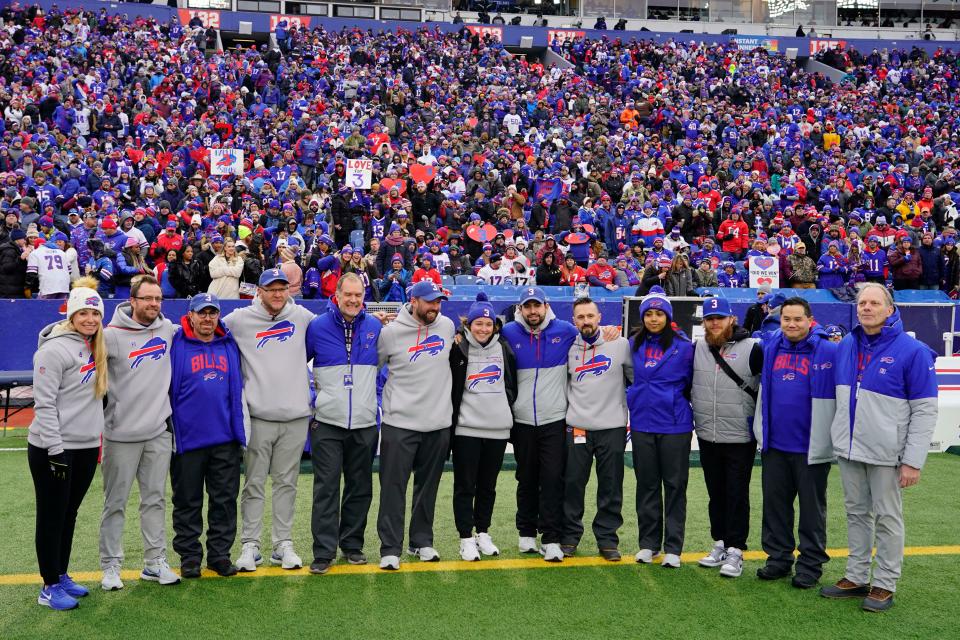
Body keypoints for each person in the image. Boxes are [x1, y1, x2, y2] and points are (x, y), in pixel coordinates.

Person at [820, 283, 937, 612]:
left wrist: (913, 461)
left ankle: (885, 582)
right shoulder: (847, 344)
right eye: (861, 303)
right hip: (849, 448)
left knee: (887, 517)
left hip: (887, 453)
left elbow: (925, 409)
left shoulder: (912, 350)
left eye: (874, 303)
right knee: (856, 514)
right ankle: (856, 576)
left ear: (890, 309)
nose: (866, 308)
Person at [500, 287, 618, 561]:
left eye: (536, 306)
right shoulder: (508, 333)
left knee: (553, 480)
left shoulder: (566, 330)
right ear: (520, 309)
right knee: (525, 478)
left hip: (555, 420)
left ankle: (552, 537)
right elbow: (479, 335)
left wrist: (611, 331)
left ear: (546, 306)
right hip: (522, 421)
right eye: (527, 306)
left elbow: (593, 334)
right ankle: (526, 533)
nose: (532, 311)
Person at [224, 267, 316, 572]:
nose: (277, 294)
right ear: (258, 291)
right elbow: (204, 330)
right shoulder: (239, 320)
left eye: (282, 288)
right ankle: (250, 544)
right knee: (253, 484)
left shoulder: (302, 317)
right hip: (259, 417)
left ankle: (282, 544)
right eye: (271, 289)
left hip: (295, 417)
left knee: (287, 483)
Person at [99, 274, 180, 590]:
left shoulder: (167, 329)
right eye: (147, 298)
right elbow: (77, 346)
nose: (154, 304)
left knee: (155, 500)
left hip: (158, 432)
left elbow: (204, 327)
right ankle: (110, 567)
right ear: (132, 301)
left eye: (158, 298)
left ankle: (154, 562)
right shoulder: (112, 335)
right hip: (120, 435)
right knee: (115, 502)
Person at [29, 284, 107, 610]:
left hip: (86, 446)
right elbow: (44, 405)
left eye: (95, 313)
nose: (90, 319)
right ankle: (48, 586)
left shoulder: (94, 346)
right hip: (55, 448)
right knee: (51, 516)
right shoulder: (53, 350)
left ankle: (61, 574)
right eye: (84, 313)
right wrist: (55, 450)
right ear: (72, 314)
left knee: (69, 514)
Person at [754, 297, 837, 589]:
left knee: (812, 512)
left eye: (797, 319)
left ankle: (810, 565)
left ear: (810, 320)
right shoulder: (771, 346)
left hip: (811, 448)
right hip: (775, 445)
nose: (791, 324)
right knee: (775, 507)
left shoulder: (829, 350)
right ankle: (778, 559)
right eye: (786, 319)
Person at [304, 273, 383, 574]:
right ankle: (323, 552)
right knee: (326, 488)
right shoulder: (317, 327)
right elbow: (297, 363)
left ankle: (352, 545)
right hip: (327, 421)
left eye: (358, 295)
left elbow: (384, 368)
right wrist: (313, 396)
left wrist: (374, 398)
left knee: (360, 486)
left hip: (364, 422)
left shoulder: (375, 327)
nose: (352, 300)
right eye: (347, 294)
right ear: (336, 294)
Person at [376, 280, 455, 570]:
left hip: (437, 423)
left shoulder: (446, 326)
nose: (435, 307)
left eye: (439, 301)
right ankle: (390, 547)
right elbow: (371, 366)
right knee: (393, 487)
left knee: (428, 487)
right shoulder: (391, 333)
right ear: (414, 301)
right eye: (430, 301)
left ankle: (421, 541)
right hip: (400, 423)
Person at [168, 293, 246, 579]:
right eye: (202, 313)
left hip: (225, 438)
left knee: (224, 500)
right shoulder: (176, 342)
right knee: (187, 501)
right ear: (191, 315)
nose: (208, 318)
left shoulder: (229, 344)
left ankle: (219, 554)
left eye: (213, 313)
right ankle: (189, 555)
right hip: (187, 440)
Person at [691, 297, 762, 578]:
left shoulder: (754, 348)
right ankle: (719, 542)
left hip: (740, 436)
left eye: (720, 317)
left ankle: (736, 549)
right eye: (710, 318)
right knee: (715, 493)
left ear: (732, 319)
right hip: (708, 434)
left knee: (736, 494)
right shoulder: (697, 348)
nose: (715, 322)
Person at [627, 288, 694, 567]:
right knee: (647, 485)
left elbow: (692, 384)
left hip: (675, 425)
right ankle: (649, 544)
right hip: (643, 423)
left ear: (668, 316)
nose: (654, 319)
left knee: (675, 486)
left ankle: (673, 547)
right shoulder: (632, 343)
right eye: (649, 314)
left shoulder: (684, 346)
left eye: (659, 314)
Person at [561, 297, 632, 561]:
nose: (586, 321)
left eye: (590, 316)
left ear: (599, 317)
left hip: (611, 428)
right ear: (574, 321)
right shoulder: (568, 346)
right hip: (577, 426)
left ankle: (607, 539)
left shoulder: (620, 344)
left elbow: (635, 380)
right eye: (580, 317)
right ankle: (569, 536)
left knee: (611, 486)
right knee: (572, 485)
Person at [449, 293, 517, 561]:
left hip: (497, 429)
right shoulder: (458, 348)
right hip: (467, 429)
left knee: (488, 486)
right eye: (479, 324)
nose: (484, 329)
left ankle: (483, 532)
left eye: (489, 325)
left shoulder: (504, 348)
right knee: (465, 486)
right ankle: (465, 537)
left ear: (495, 326)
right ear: (469, 324)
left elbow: (511, 384)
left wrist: (503, 408)